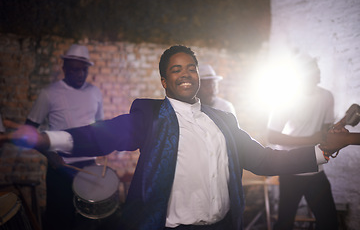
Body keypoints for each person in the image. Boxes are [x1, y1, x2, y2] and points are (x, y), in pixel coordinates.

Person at [5, 45, 347, 230]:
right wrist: (46, 140)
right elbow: (104, 134)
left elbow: (264, 159)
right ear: (165, 82)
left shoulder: (224, 119)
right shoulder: (151, 116)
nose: (186, 73)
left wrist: (321, 151)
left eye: (191, 68)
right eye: (176, 69)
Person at [25, 44, 104, 230]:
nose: (80, 74)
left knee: (89, 222)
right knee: (59, 221)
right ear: (64, 68)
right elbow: (29, 131)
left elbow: (100, 127)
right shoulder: (49, 94)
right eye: (75, 69)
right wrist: (51, 155)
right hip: (60, 168)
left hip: (88, 169)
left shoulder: (95, 92)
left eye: (84, 69)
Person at [266, 54, 338, 230]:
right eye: (313, 68)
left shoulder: (326, 96)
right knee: (285, 222)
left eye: (317, 67)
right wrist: (310, 140)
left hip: (315, 167)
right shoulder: (285, 98)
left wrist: (332, 137)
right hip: (290, 168)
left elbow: (325, 132)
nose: (318, 72)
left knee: (329, 222)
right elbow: (271, 136)